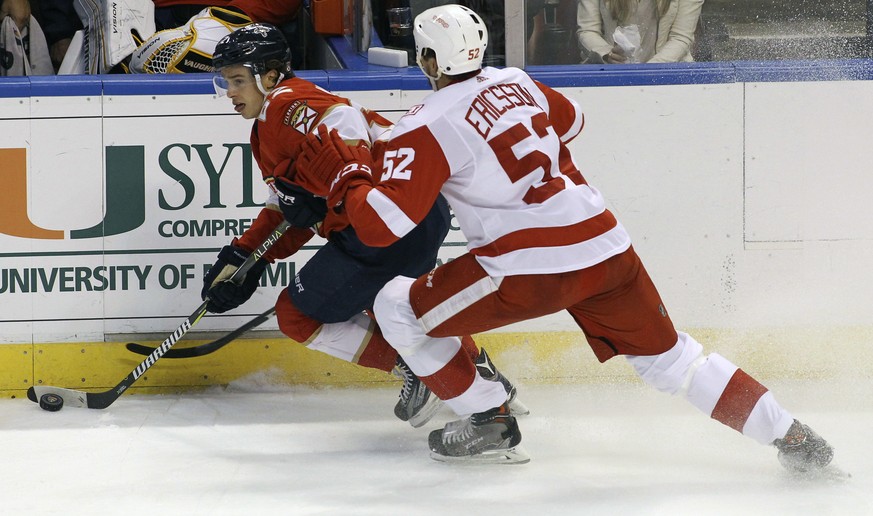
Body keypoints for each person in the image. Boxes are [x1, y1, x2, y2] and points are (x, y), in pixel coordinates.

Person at [291, 3, 836, 472]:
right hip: (606, 250)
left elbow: (383, 225)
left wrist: (350, 179)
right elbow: (572, 122)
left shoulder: (423, 122)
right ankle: (790, 434)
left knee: (394, 305)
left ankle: (489, 417)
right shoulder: (518, 81)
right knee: (674, 359)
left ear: (428, 60)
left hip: (527, 269)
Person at [206, 23, 527, 427]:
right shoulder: (272, 120)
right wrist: (246, 255)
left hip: (381, 224)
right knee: (398, 306)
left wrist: (344, 180)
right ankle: (480, 373)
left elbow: (342, 125)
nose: (230, 91)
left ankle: (420, 369)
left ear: (269, 76)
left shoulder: (284, 104)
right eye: (226, 81)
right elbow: (295, 207)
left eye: (237, 80)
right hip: (418, 214)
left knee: (297, 315)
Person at [576, 0, 703, 64]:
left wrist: (647, 72)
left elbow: (681, 38)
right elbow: (588, 31)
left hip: (666, 74)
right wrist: (606, 53)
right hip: (611, 72)